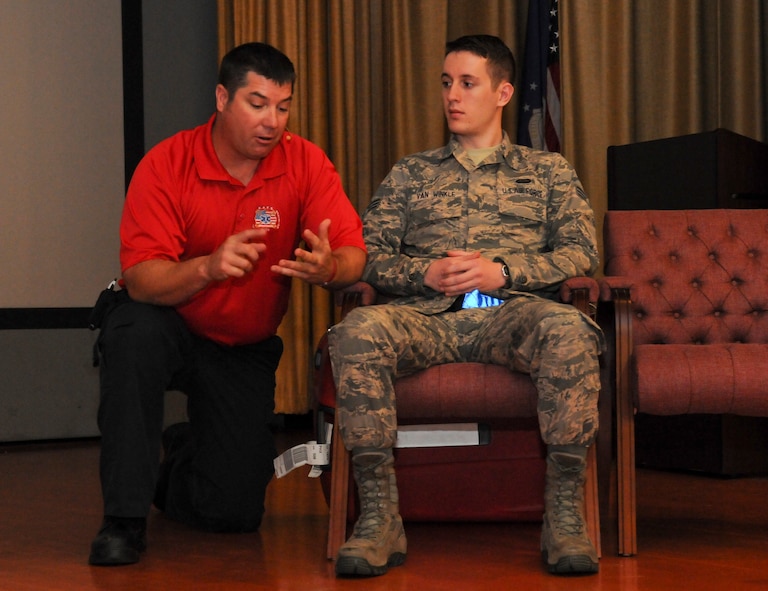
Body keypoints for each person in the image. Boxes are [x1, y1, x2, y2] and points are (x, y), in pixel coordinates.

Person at [328, 34, 603, 578]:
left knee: (569, 330)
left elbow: (581, 251)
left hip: (512, 313)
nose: (453, 95)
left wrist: (503, 270)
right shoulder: (411, 173)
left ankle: (564, 518)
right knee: (357, 331)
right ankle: (379, 518)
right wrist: (421, 272)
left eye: (468, 83)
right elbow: (370, 257)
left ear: (503, 92)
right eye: (446, 83)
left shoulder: (547, 173)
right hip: (426, 316)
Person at [88, 42, 366, 566]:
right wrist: (208, 267)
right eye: (256, 103)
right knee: (133, 333)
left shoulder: (304, 161)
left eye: (283, 106)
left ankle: (180, 458)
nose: (272, 121)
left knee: (233, 513)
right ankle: (122, 522)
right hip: (169, 320)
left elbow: (354, 253)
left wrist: (331, 268)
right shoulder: (168, 163)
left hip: (242, 345)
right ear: (221, 98)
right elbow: (143, 279)